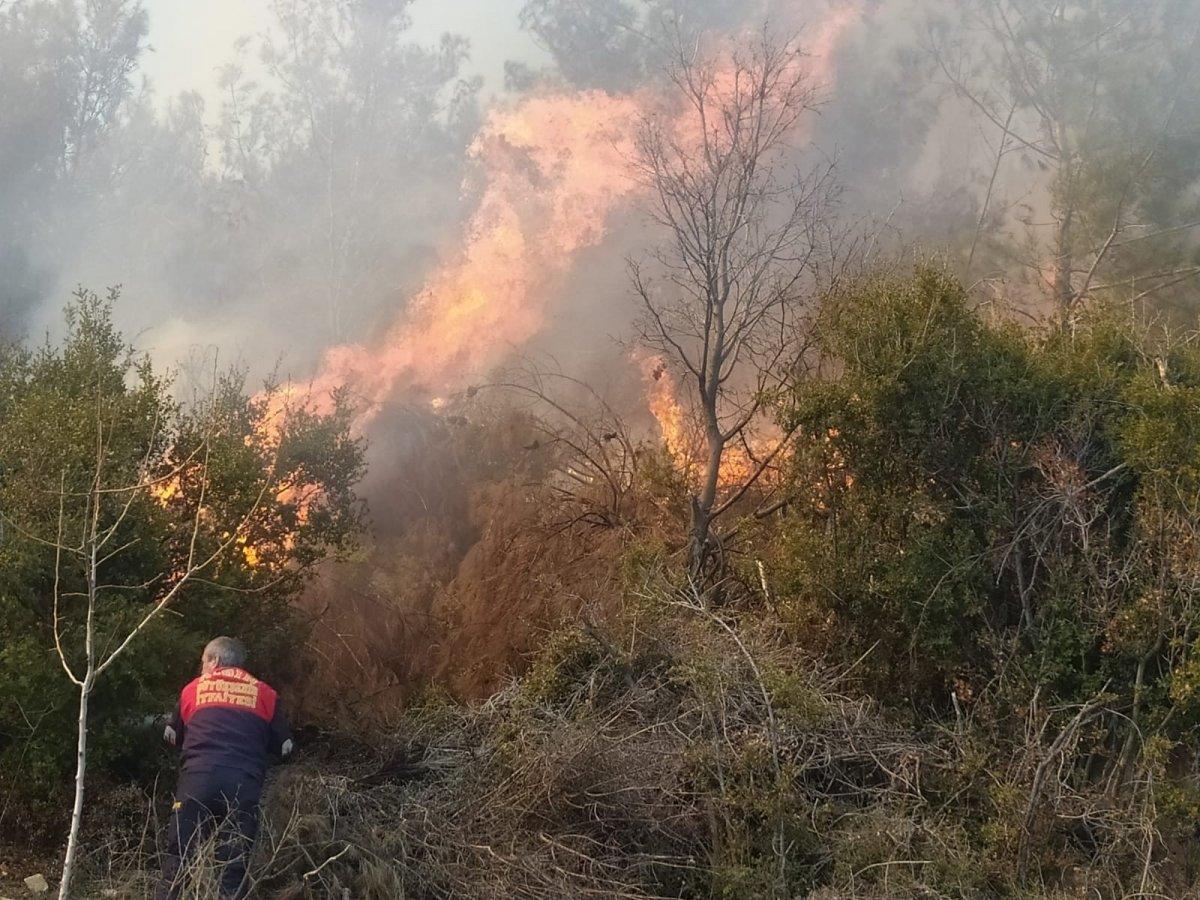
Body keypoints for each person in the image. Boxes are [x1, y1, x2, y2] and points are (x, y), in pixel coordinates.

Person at [156, 636, 293, 900]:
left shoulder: (192, 689)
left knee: (178, 862)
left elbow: (172, 736)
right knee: (233, 871)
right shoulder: (266, 694)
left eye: (203, 661)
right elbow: (285, 746)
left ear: (215, 660)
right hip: (243, 786)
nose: (202, 668)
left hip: (197, 782)